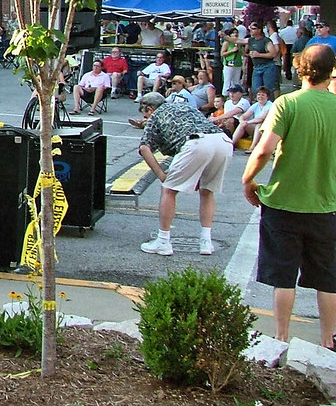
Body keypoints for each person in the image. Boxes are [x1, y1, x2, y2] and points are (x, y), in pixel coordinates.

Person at [242, 44, 336, 348]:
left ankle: (281, 337)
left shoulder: (287, 104)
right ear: (331, 71)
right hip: (326, 205)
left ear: (300, 68)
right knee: (328, 278)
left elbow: (266, 149)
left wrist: (248, 179)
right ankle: (328, 340)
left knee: (283, 276)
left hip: (284, 202)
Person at [136, 92, 233, 257]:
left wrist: (161, 175)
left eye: (145, 113)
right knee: (207, 191)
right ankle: (206, 242)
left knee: (168, 190)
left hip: (195, 143)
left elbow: (144, 148)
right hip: (222, 141)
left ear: (150, 109)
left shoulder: (155, 116)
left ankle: (163, 241)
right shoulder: (185, 105)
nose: (145, 117)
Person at [231, 86, 273, 152]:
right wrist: (242, 121)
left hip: (266, 131)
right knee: (242, 124)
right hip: (255, 130)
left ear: (267, 97)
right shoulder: (256, 105)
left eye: (263, 95)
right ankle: (231, 144)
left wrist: (247, 122)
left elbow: (261, 119)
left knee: (259, 124)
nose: (260, 97)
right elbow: (244, 116)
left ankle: (252, 148)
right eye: (259, 95)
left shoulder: (271, 105)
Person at [220, 28, 244, 93]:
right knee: (227, 81)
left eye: (236, 33)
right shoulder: (227, 43)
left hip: (237, 64)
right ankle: (225, 94)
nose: (235, 34)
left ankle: (236, 93)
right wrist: (231, 51)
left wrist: (240, 49)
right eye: (233, 33)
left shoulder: (239, 43)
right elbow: (222, 54)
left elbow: (243, 53)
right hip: (229, 64)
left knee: (236, 81)